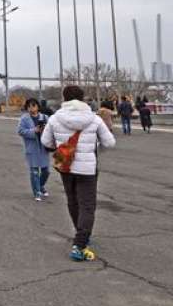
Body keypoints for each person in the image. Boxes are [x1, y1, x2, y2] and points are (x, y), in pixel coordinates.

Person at [41, 85, 116, 261]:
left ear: (64, 98)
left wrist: (60, 145)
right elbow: (110, 143)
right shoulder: (94, 119)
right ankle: (80, 243)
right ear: (82, 99)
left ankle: (81, 234)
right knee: (87, 205)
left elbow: (46, 142)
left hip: (65, 166)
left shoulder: (54, 118)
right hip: (87, 169)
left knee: (73, 201)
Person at [17, 98, 50, 201]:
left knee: (46, 171)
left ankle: (40, 186)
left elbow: (51, 130)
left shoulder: (45, 117)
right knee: (34, 171)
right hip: (32, 148)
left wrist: (45, 130)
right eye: (29, 106)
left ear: (38, 106)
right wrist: (33, 131)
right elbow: (20, 131)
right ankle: (37, 192)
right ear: (27, 108)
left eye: (34, 105)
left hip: (44, 147)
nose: (32, 108)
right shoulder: (24, 119)